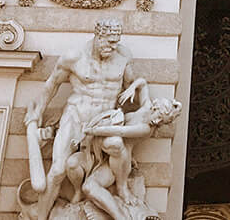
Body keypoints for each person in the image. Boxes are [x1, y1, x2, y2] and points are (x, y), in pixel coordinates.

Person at [24, 19, 145, 220]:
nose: (112, 47)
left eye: (116, 42)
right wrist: (36, 113)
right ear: (97, 37)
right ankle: (40, 217)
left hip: (103, 121)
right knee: (57, 170)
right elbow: (51, 85)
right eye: (108, 42)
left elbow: (131, 85)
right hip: (76, 116)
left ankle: (122, 189)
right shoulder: (74, 57)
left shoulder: (123, 57)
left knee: (115, 147)